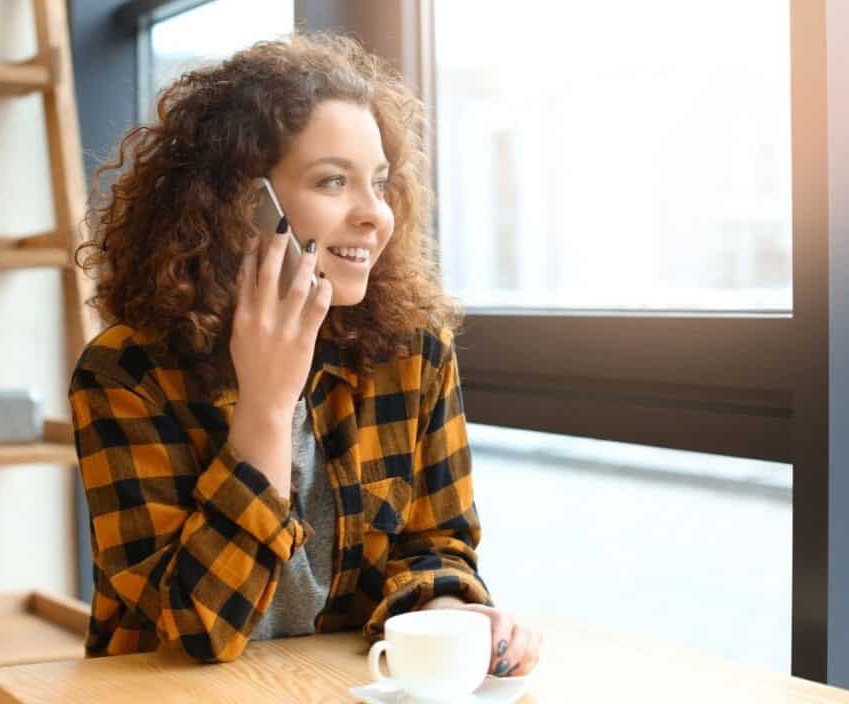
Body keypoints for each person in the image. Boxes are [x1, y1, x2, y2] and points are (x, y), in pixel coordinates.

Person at [69, 31, 542, 678]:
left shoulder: (413, 348)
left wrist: (453, 607)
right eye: (332, 181)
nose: (375, 213)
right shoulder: (128, 375)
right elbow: (191, 632)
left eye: (378, 183)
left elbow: (436, 544)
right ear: (242, 206)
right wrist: (265, 406)